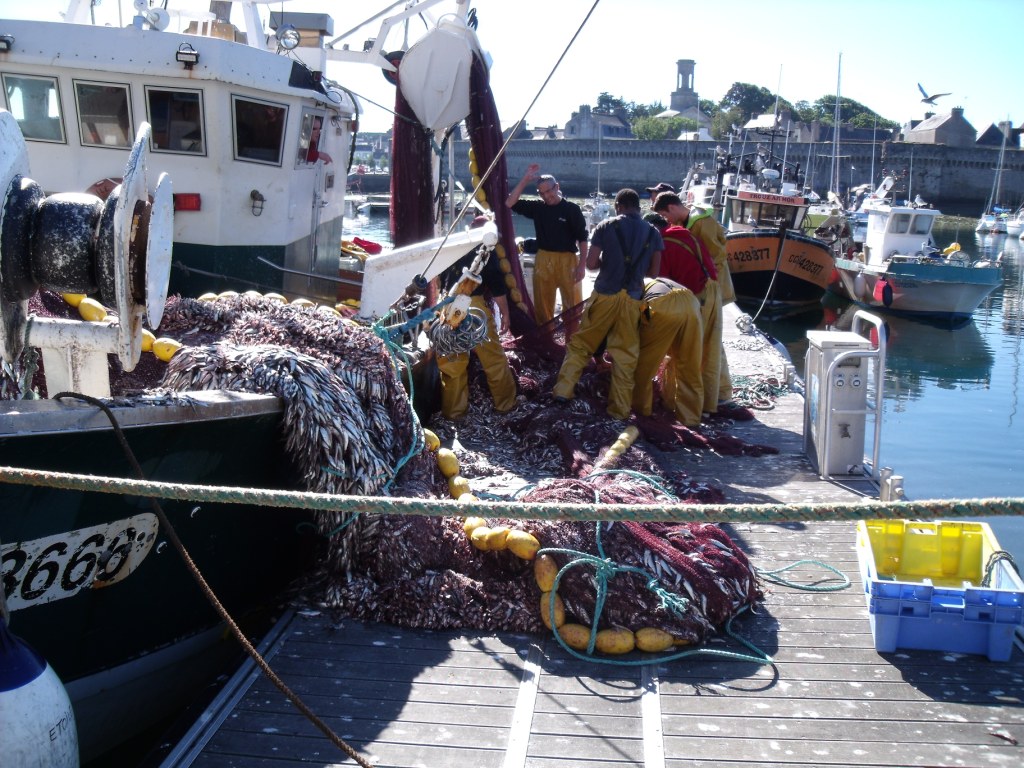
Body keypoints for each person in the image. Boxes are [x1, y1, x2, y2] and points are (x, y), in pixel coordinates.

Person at [552, 189, 662, 420]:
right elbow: (653, 272)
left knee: (582, 345)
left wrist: (608, 263)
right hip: (632, 298)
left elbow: (591, 264)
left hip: (604, 295)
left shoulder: (606, 226)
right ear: (638, 207)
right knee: (625, 355)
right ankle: (619, 410)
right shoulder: (653, 233)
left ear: (618, 205)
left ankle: (563, 391)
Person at [654, 192, 751, 420]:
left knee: (705, 346)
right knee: (712, 344)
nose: (666, 219)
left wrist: (702, 290)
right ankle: (720, 393)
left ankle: (710, 400)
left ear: (672, 208)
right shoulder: (686, 224)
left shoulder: (701, 224)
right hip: (703, 291)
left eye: (664, 214)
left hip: (706, 291)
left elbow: (714, 259)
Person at [435, 218, 517, 420]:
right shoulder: (486, 251)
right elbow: (498, 286)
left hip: (448, 304)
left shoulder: (455, 246)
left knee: (452, 359)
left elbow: (438, 278)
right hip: (473, 305)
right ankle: (505, 405)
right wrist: (505, 313)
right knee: (492, 357)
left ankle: (454, 413)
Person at [644, 211, 722, 418]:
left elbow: (660, 286)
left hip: (695, 297)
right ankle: (703, 408)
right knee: (708, 351)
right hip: (712, 290)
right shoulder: (684, 233)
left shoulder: (663, 245)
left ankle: (673, 406)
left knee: (681, 354)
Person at [506, 164, 588, 333]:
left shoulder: (572, 209)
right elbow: (509, 202)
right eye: (542, 193)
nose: (546, 196)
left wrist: (582, 266)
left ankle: (571, 343)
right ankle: (547, 341)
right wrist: (525, 180)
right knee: (543, 306)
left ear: (557, 187)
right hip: (543, 259)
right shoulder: (538, 208)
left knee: (572, 306)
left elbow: (583, 238)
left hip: (568, 259)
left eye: (549, 191)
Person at [633, 277, 704, 427]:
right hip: (691, 302)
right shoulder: (653, 279)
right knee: (689, 364)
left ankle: (641, 411)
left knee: (645, 365)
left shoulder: (626, 287)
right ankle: (690, 418)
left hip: (661, 305)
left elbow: (638, 319)